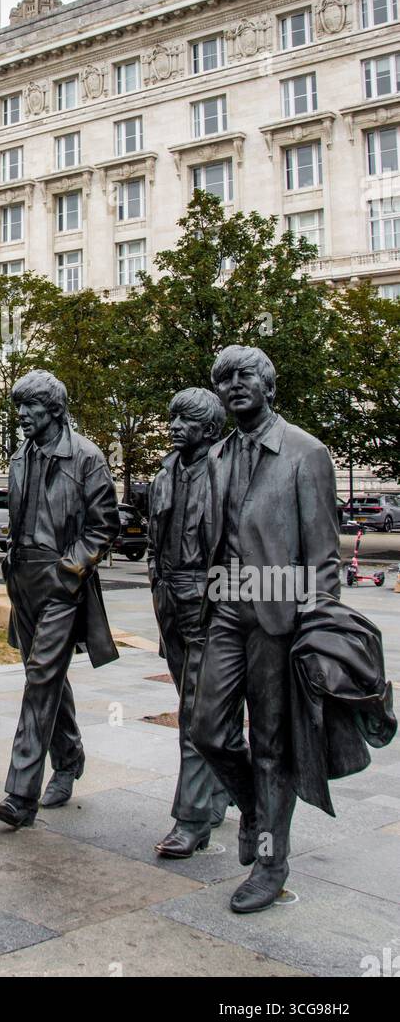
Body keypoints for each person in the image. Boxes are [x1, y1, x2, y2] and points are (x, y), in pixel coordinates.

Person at [191, 345, 341, 914]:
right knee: (206, 728)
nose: (232, 385)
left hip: (281, 616)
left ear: (268, 384)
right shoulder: (218, 455)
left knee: (273, 746)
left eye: (243, 375)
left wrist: (318, 628)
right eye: (222, 378)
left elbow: (324, 557)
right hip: (228, 607)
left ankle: (271, 864)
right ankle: (252, 809)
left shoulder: (306, 454)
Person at [0, 370, 120, 830]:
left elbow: (104, 526)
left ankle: (20, 795)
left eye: (32, 408)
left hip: (62, 581)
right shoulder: (20, 457)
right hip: (22, 579)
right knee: (45, 675)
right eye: (19, 407)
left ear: (55, 410)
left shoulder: (87, 458)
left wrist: (71, 569)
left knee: (42, 676)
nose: (22, 415)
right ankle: (69, 757)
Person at [148, 387, 230, 858]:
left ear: (210, 429)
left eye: (186, 420)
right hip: (169, 598)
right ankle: (221, 789)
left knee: (196, 713)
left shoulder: (224, 472)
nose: (175, 426)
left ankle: (191, 819)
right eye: (172, 418)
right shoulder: (165, 472)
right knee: (198, 705)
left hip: (207, 600)